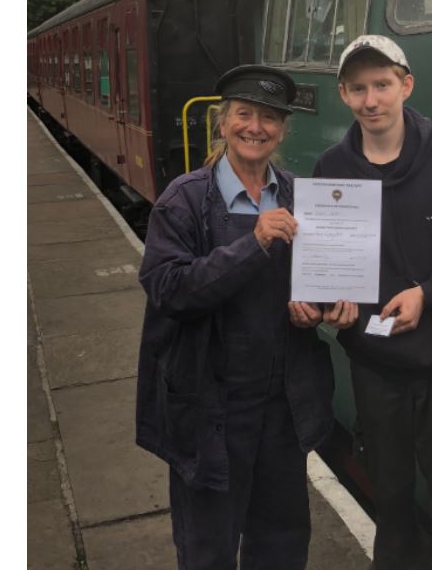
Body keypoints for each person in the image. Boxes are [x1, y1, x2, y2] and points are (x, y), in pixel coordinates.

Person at [288, 36, 432, 570]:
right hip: (376, 368)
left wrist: (428, 294)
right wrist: (330, 305)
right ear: (344, 94)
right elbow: (329, 269)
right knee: (391, 509)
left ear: (405, 86)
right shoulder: (333, 167)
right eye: (360, 88)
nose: (372, 100)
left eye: (383, 85)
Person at [135, 65, 343, 570]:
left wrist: (316, 309)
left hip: (281, 405)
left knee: (283, 541)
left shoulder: (299, 195)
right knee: (208, 546)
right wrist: (253, 244)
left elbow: (312, 282)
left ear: (282, 129)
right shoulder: (184, 200)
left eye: (269, 118)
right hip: (210, 409)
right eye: (244, 115)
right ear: (223, 124)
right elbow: (168, 289)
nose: (256, 127)